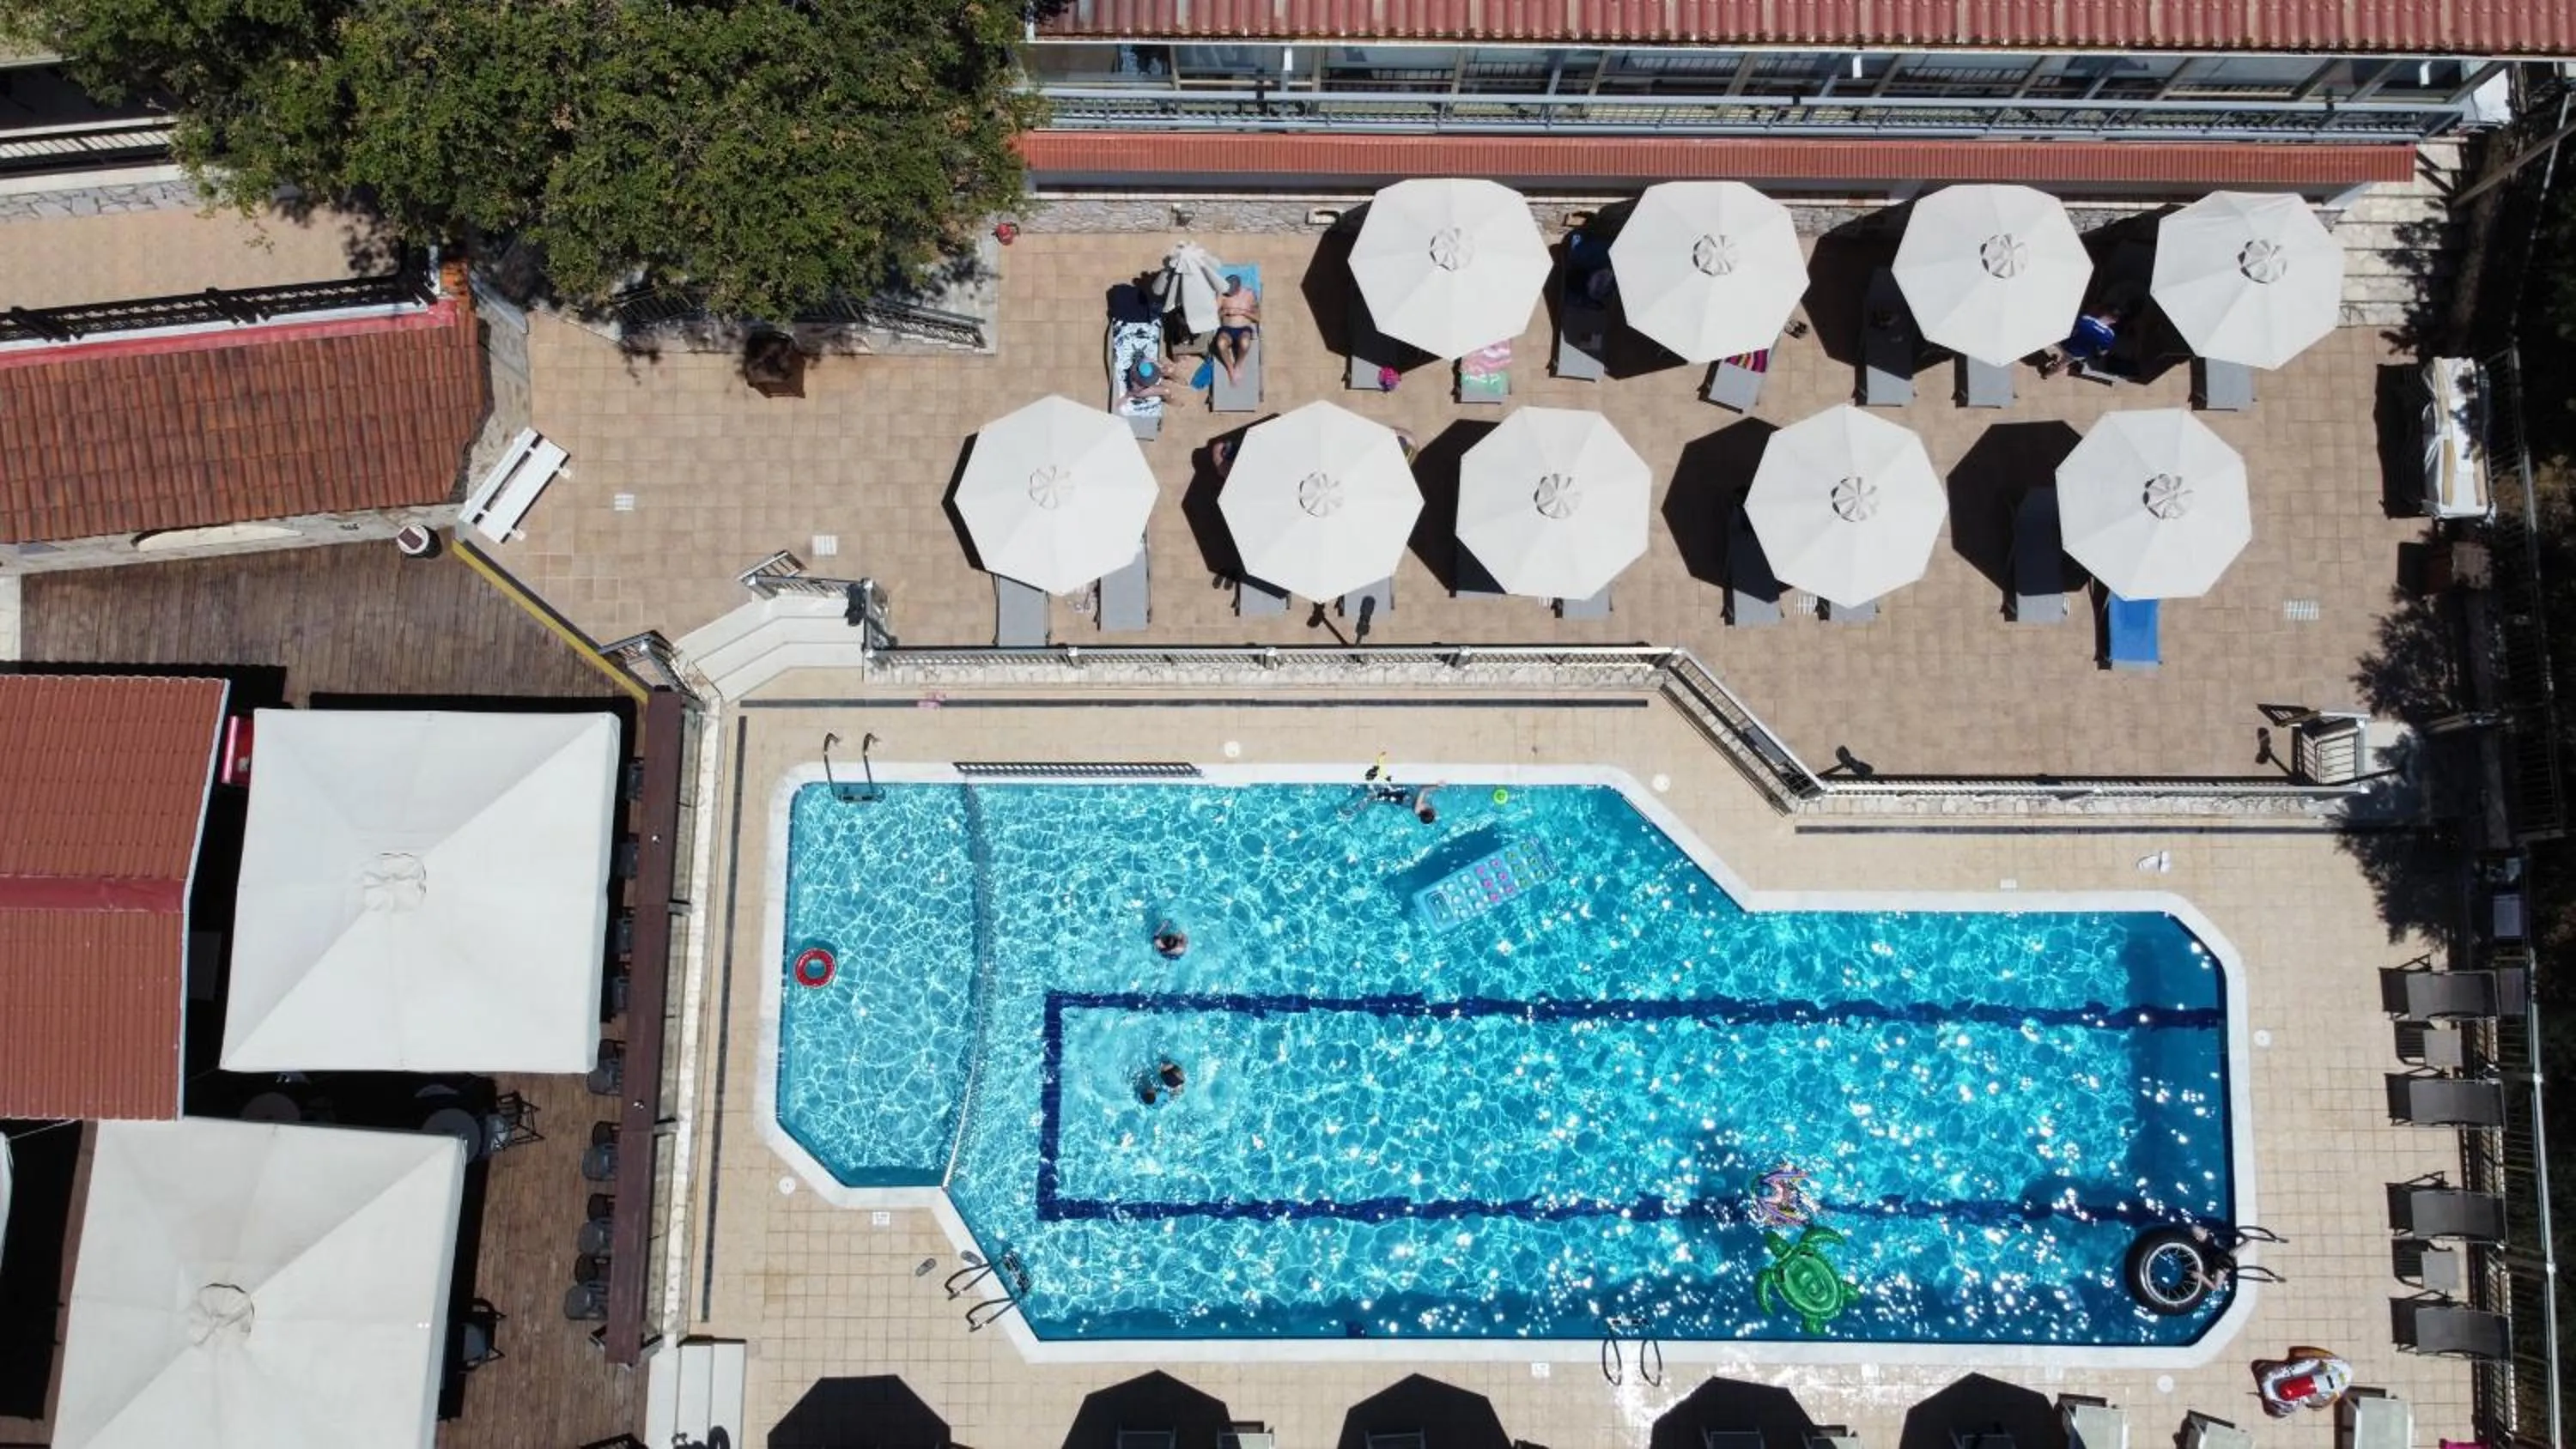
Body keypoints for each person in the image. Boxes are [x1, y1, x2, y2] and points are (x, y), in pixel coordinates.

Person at [1214, 276, 1260, 384]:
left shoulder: (1249, 295)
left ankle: (1239, 364)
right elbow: (1213, 316)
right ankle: (1230, 368)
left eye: (1231, 292)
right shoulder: (1221, 295)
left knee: (1245, 343)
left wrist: (1243, 312)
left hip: (1244, 329)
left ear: (1239, 288)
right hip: (1226, 329)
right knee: (1221, 343)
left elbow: (1258, 318)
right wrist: (1225, 312)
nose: (1228, 294)